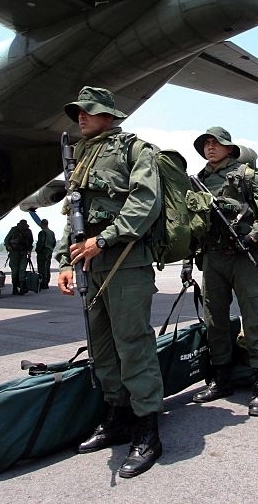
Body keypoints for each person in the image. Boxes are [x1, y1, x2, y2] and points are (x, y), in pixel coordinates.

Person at [52, 86, 164, 478]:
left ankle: (147, 429)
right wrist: (67, 260)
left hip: (126, 261)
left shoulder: (136, 149)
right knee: (101, 348)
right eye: (78, 111)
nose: (81, 117)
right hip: (91, 262)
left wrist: (104, 239)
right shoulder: (81, 156)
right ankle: (117, 417)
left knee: (132, 344)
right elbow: (75, 212)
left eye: (89, 111)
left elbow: (145, 202)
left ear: (110, 115)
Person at [189, 127, 258, 416]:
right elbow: (190, 222)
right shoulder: (198, 180)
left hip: (242, 257)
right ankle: (221, 379)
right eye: (206, 144)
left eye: (217, 143)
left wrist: (253, 237)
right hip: (212, 258)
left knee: (253, 318)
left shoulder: (245, 175)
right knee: (214, 320)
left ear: (230, 148)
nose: (210, 148)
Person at [3, 219, 33, 295]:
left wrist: (29, 251)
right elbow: (6, 240)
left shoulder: (28, 232)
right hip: (14, 252)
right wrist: (9, 247)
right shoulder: (13, 230)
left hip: (24, 253)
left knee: (22, 270)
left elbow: (30, 242)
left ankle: (22, 287)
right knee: (15, 270)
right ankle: (14, 288)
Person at [35, 218, 56, 290]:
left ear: (42, 224)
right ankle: (46, 282)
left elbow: (41, 242)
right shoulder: (51, 232)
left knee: (42, 267)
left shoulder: (42, 232)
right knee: (47, 267)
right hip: (49, 251)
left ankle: (43, 283)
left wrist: (38, 250)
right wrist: (51, 249)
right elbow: (54, 242)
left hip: (43, 251)